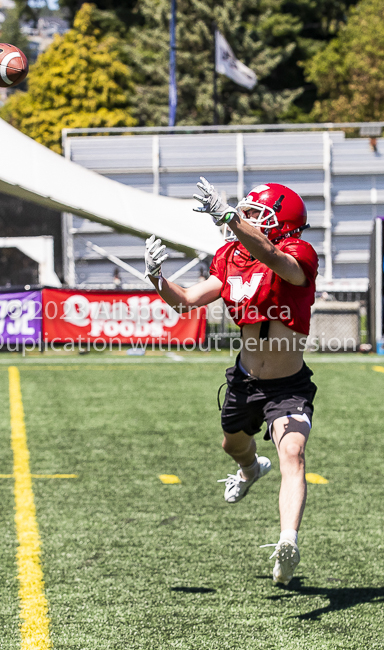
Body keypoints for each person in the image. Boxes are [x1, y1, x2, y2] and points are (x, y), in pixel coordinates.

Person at [144, 178, 318, 586]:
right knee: (232, 443)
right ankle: (249, 469)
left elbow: (275, 257)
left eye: (256, 215)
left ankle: (286, 542)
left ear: (282, 223)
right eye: (245, 213)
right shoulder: (230, 256)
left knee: (292, 452)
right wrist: (156, 277)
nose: (245, 220)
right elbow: (186, 299)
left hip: (288, 385)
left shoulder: (298, 251)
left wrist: (230, 218)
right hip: (244, 381)